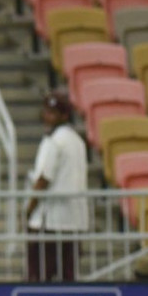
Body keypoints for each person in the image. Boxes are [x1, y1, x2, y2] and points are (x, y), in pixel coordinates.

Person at [25, 90, 88, 281]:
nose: (47, 117)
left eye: (52, 113)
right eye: (46, 112)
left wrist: (29, 209)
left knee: (41, 276)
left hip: (50, 221)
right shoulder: (77, 141)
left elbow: (44, 179)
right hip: (74, 221)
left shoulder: (53, 141)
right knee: (67, 276)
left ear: (64, 116)